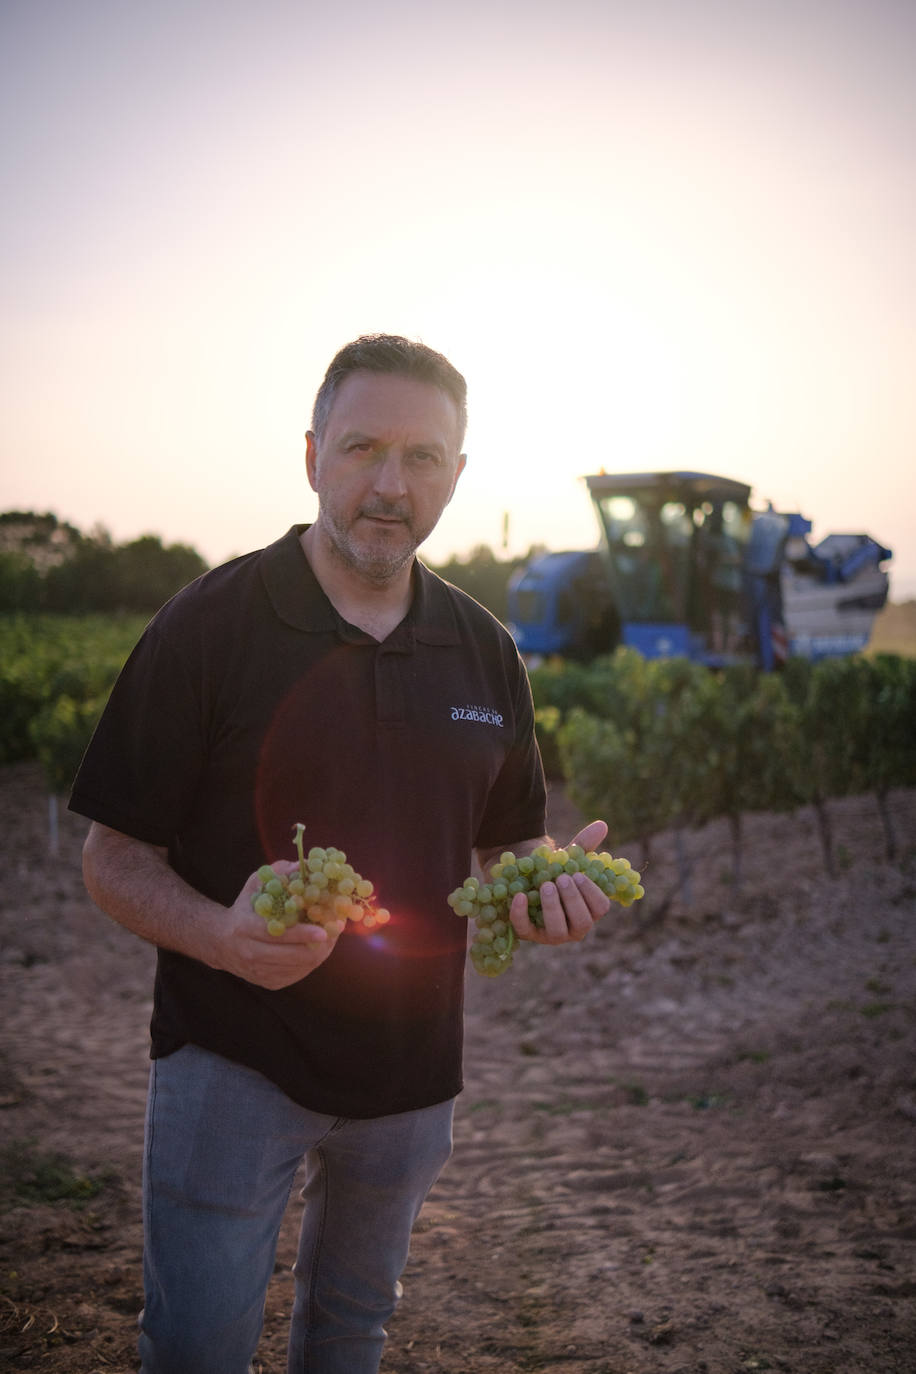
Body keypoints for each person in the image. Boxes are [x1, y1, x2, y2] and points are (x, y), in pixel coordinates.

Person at [69, 333, 612, 1374]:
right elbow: (113, 856)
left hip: (412, 1079)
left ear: (457, 476)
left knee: (351, 1337)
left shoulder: (485, 648)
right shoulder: (209, 626)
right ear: (312, 452)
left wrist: (544, 889)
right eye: (362, 447)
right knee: (195, 1348)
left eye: (422, 458)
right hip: (231, 1064)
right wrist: (223, 938)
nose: (388, 485)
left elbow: (503, 849)